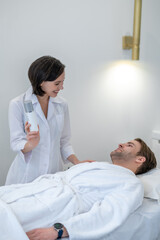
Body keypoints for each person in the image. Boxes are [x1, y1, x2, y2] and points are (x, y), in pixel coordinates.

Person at [0, 138, 157, 240]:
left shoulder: (131, 184)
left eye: (129, 145)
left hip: (53, 205)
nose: (121, 144)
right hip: (35, 190)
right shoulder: (98, 165)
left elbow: (108, 214)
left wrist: (58, 230)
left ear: (140, 159)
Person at [6, 56, 92, 185]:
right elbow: (16, 143)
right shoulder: (18, 104)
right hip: (26, 176)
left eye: (62, 82)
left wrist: (77, 162)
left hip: (54, 175)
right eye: (57, 83)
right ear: (41, 81)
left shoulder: (62, 104)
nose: (61, 87)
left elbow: (64, 141)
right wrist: (31, 144)